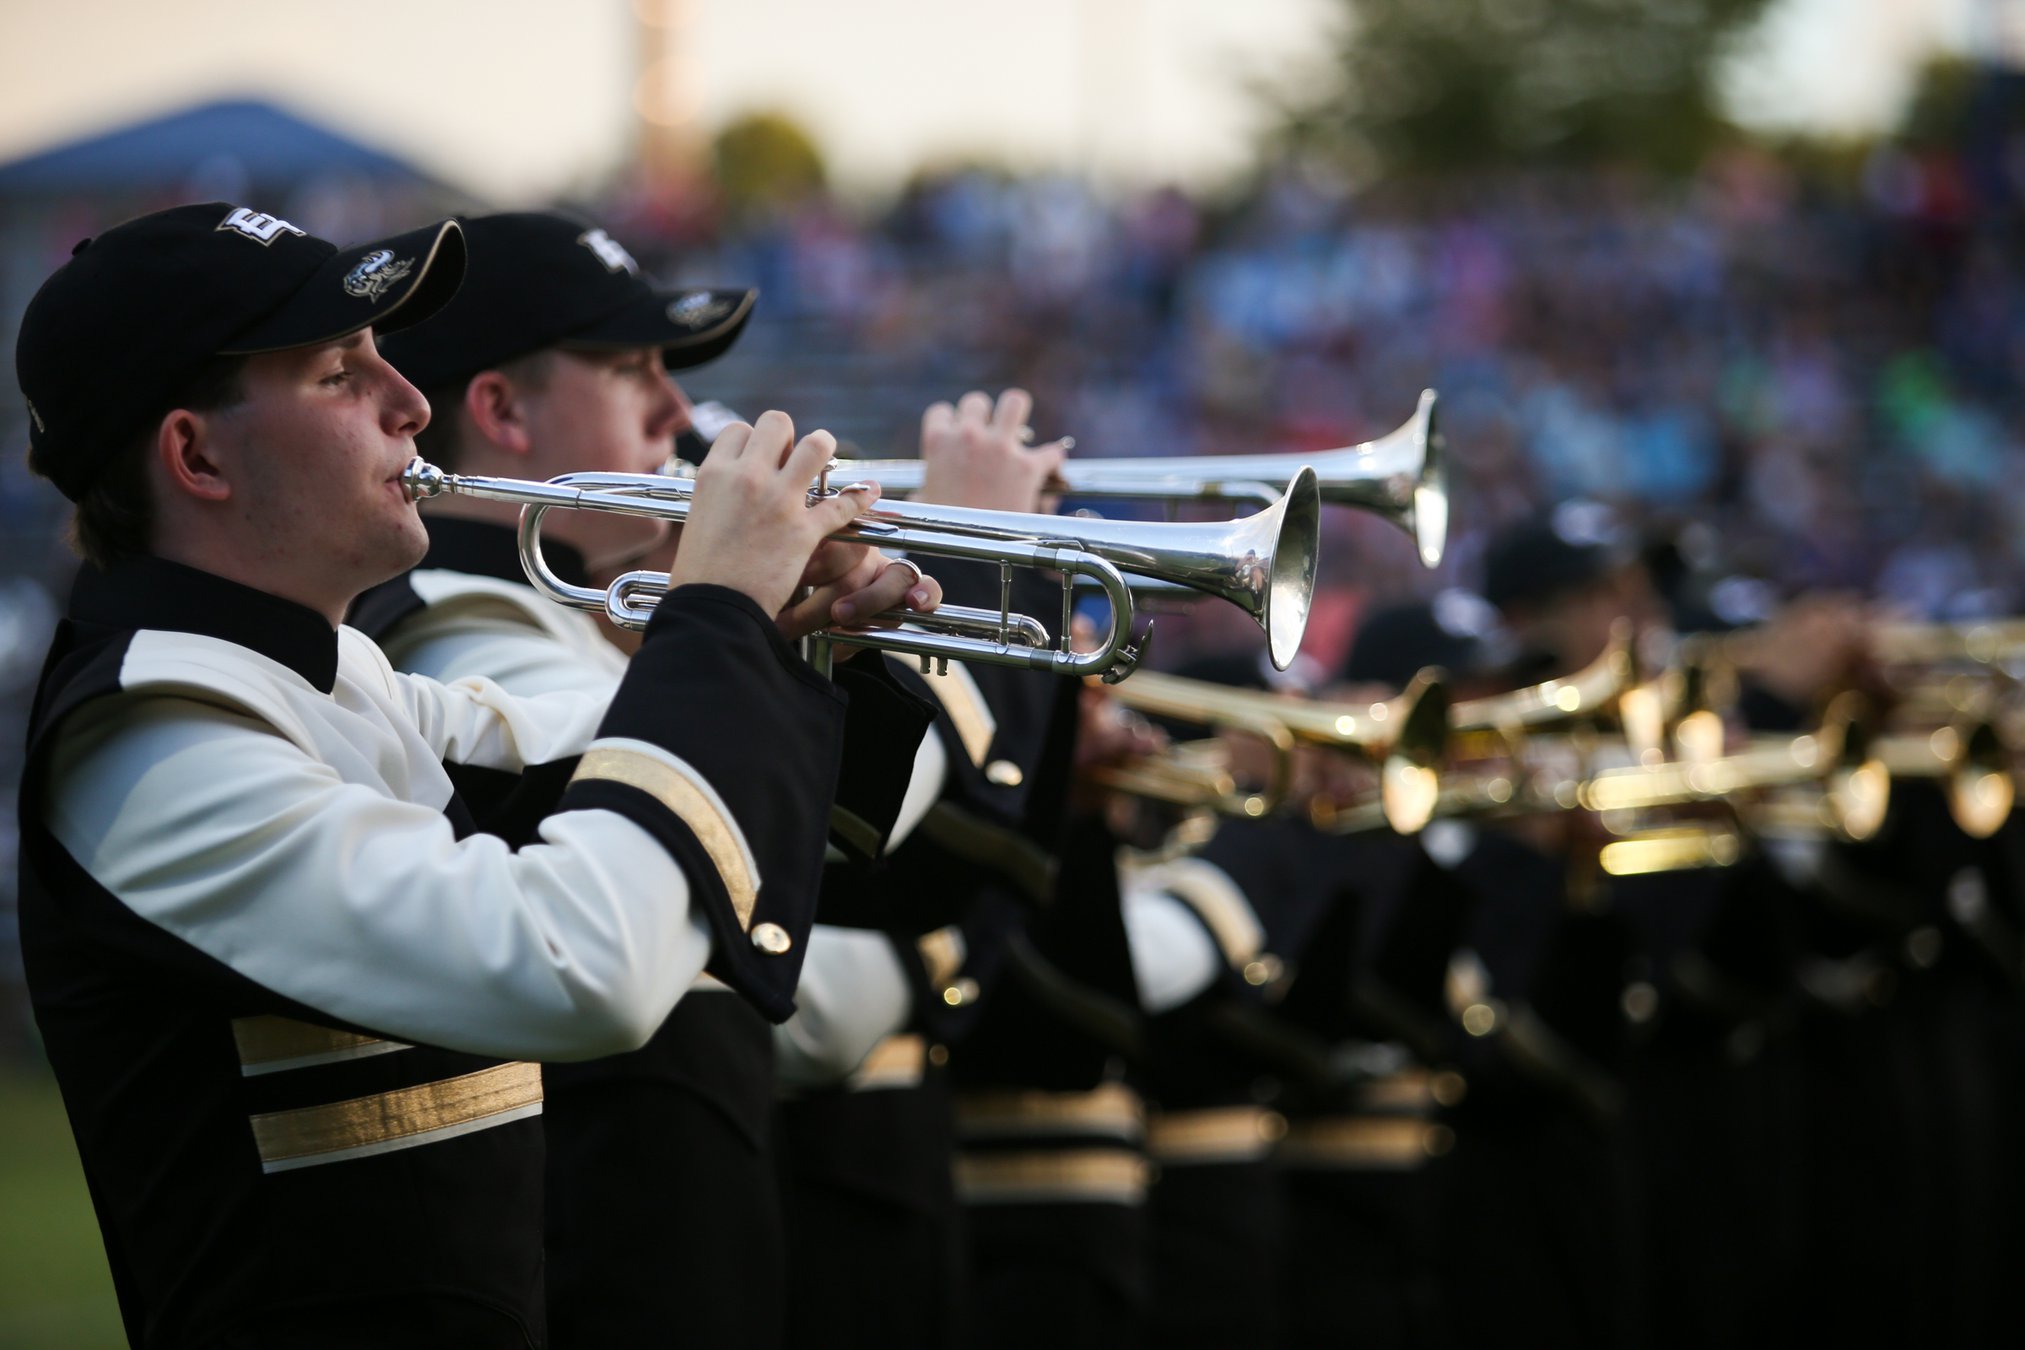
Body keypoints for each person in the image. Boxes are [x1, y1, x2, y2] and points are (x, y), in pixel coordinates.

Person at [13, 202, 902, 1349]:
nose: (411, 402)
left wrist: (792, 640)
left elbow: (585, 750)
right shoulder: (154, 735)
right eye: (342, 371)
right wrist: (717, 614)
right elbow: (579, 966)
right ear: (195, 455)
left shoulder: (331, 679)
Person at [355, 209, 947, 1347]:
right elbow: (689, 877)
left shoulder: (600, 622)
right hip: (607, 1238)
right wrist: (732, 625)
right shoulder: (463, 621)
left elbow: (793, 830)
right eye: (632, 371)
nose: (680, 415)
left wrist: (789, 647)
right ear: (503, 411)